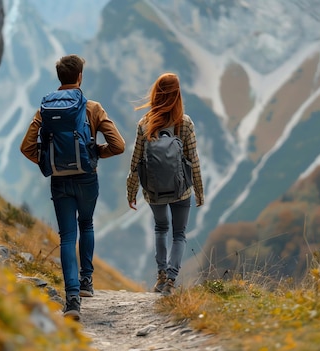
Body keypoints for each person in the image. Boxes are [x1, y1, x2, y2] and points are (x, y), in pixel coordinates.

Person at [20, 54, 125, 320]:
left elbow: (26, 147)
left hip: (59, 181)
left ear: (60, 78)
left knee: (67, 236)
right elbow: (119, 145)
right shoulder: (93, 108)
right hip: (87, 177)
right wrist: (95, 153)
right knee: (86, 224)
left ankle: (72, 301)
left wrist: (47, 163)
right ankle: (87, 281)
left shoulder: (45, 109)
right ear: (80, 77)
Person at [126, 73, 204, 295]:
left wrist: (131, 191)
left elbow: (136, 162)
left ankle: (160, 275)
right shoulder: (185, 123)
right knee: (179, 234)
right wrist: (199, 191)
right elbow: (194, 160)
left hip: (154, 191)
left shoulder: (145, 123)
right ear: (178, 95)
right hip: (181, 190)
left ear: (156, 94)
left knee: (160, 228)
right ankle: (170, 281)